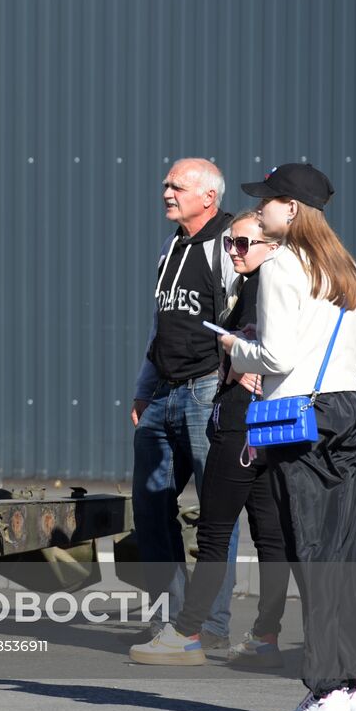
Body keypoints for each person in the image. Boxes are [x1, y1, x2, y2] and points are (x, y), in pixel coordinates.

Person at [222, 163, 356, 711]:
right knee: (343, 551)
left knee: (310, 550)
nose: (259, 210)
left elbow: (278, 358)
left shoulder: (284, 264)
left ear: (291, 209)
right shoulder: (348, 267)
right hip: (346, 408)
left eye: (267, 200)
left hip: (299, 416)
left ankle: (326, 690)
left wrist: (236, 351)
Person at [130, 211, 291, 667]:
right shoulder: (180, 250)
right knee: (266, 530)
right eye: (231, 244)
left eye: (242, 243)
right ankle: (263, 635)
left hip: (234, 409)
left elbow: (274, 350)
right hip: (230, 406)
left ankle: (192, 630)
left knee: (219, 526)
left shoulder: (268, 282)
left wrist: (240, 353)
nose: (233, 250)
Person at [130, 158, 241, 648]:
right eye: (166, 183)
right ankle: (173, 620)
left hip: (205, 390)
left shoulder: (228, 244)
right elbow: (160, 327)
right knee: (152, 506)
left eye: (177, 185)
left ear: (207, 197)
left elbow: (243, 322)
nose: (166, 191)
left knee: (216, 511)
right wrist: (143, 386)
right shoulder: (170, 247)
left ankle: (211, 624)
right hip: (162, 395)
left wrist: (233, 384)